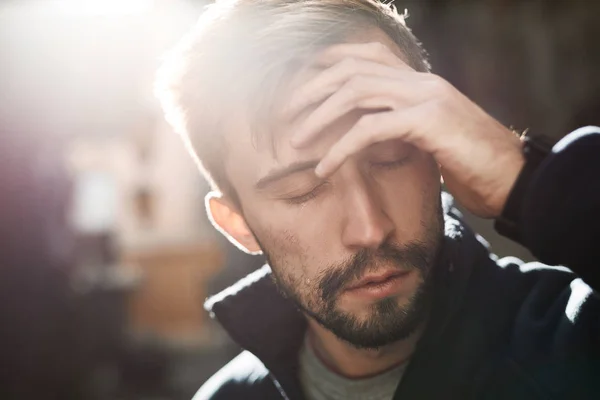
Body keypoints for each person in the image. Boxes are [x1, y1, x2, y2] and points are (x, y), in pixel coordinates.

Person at [155, 1, 600, 399]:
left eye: (391, 159)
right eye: (302, 191)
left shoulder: (577, 342)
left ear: (439, 155)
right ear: (238, 224)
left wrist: (525, 178)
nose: (370, 228)